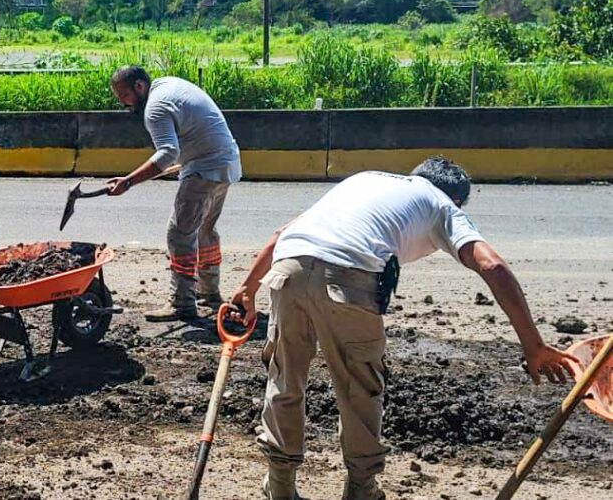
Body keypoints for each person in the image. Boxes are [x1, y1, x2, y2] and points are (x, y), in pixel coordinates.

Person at [228, 157, 579, 500]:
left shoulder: (366, 180)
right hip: (349, 276)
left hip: (288, 268)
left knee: (285, 379)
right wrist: (534, 346)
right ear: (456, 198)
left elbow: (280, 234)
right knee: (360, 390)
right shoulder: (442, 204)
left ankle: (280, 486)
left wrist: (247, 289)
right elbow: (493, 266)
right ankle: (362, 488)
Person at [107, 65, 242, 322]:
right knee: (205, 230)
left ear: (139, 86)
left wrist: (127, 182)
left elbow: (167, 151)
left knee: (179, 235)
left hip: (205, 168)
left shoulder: (154, 108)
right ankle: (209, 292)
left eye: (124, 95)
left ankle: (182, 303)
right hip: (227, 162)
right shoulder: (169, 85)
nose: (123, 103)